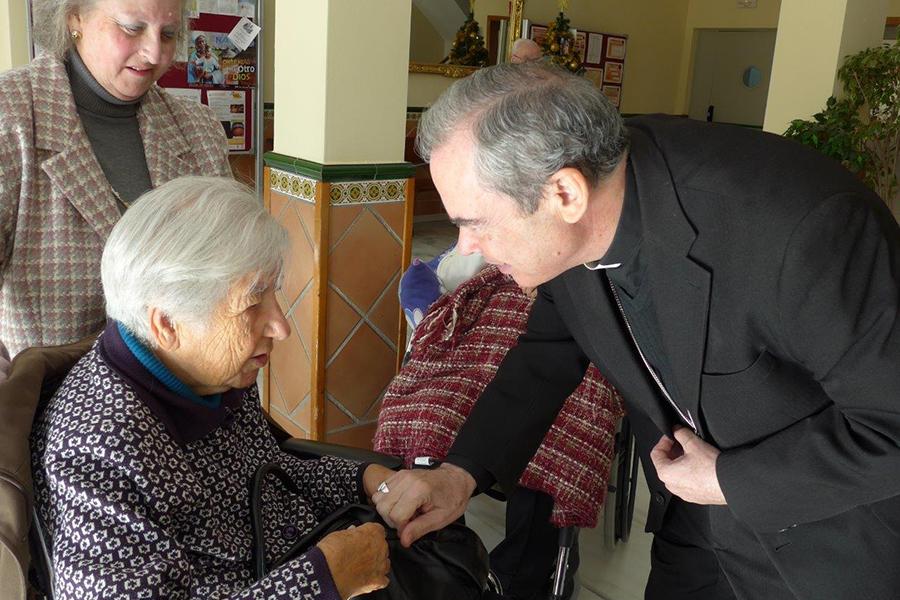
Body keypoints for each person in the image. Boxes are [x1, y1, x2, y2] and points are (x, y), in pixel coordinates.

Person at [371, 62, 900, 600]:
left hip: (832, 541)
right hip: (694, 532)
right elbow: (547, 355)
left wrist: (729, 482)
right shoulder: (571, 231)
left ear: (564, 194)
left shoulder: (804, 231)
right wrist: (459, 475)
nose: (464, 249)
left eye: (475, 223)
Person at [31, 176, 394, 599]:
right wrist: (322, 580)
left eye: (273, 294)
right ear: (166, 323)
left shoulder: (204, 373)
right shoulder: (98, 452)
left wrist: (366, 479)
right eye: (252, 303)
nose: (280, 326)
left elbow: (264, 472)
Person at [0, 0, 231, 377]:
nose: (155, 53)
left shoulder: (197, 127)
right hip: (57, 412)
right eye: (131, 28)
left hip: (184, 397)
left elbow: (226, 271)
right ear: (75, 18)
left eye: (168, 34)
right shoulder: (11, 116)